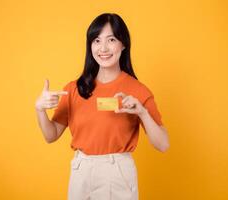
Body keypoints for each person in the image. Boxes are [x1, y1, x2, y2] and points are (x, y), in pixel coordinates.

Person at [35, 13, 170, 200]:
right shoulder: (75, 89)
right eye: (96, 40)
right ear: (90, 46)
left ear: (123, 44)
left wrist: (143, 113)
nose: (103, 48)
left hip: (117, 172)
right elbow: (50, 136)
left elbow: (163, 144)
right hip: (81, 170)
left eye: (111, 39)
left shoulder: (137, 90)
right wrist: (40, 109)